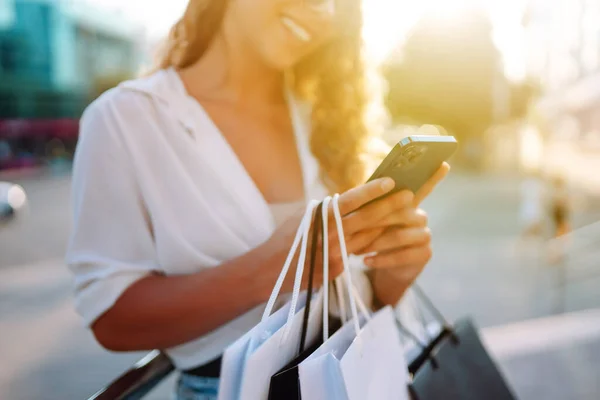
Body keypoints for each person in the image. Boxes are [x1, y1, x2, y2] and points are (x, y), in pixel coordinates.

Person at [66, 0, 449, 398]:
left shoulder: (324, 120)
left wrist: (393, 276)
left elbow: (352, 302)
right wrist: (271, 268)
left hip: (353, 381)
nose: (326, 13)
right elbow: (112, 320)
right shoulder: (126, 118)